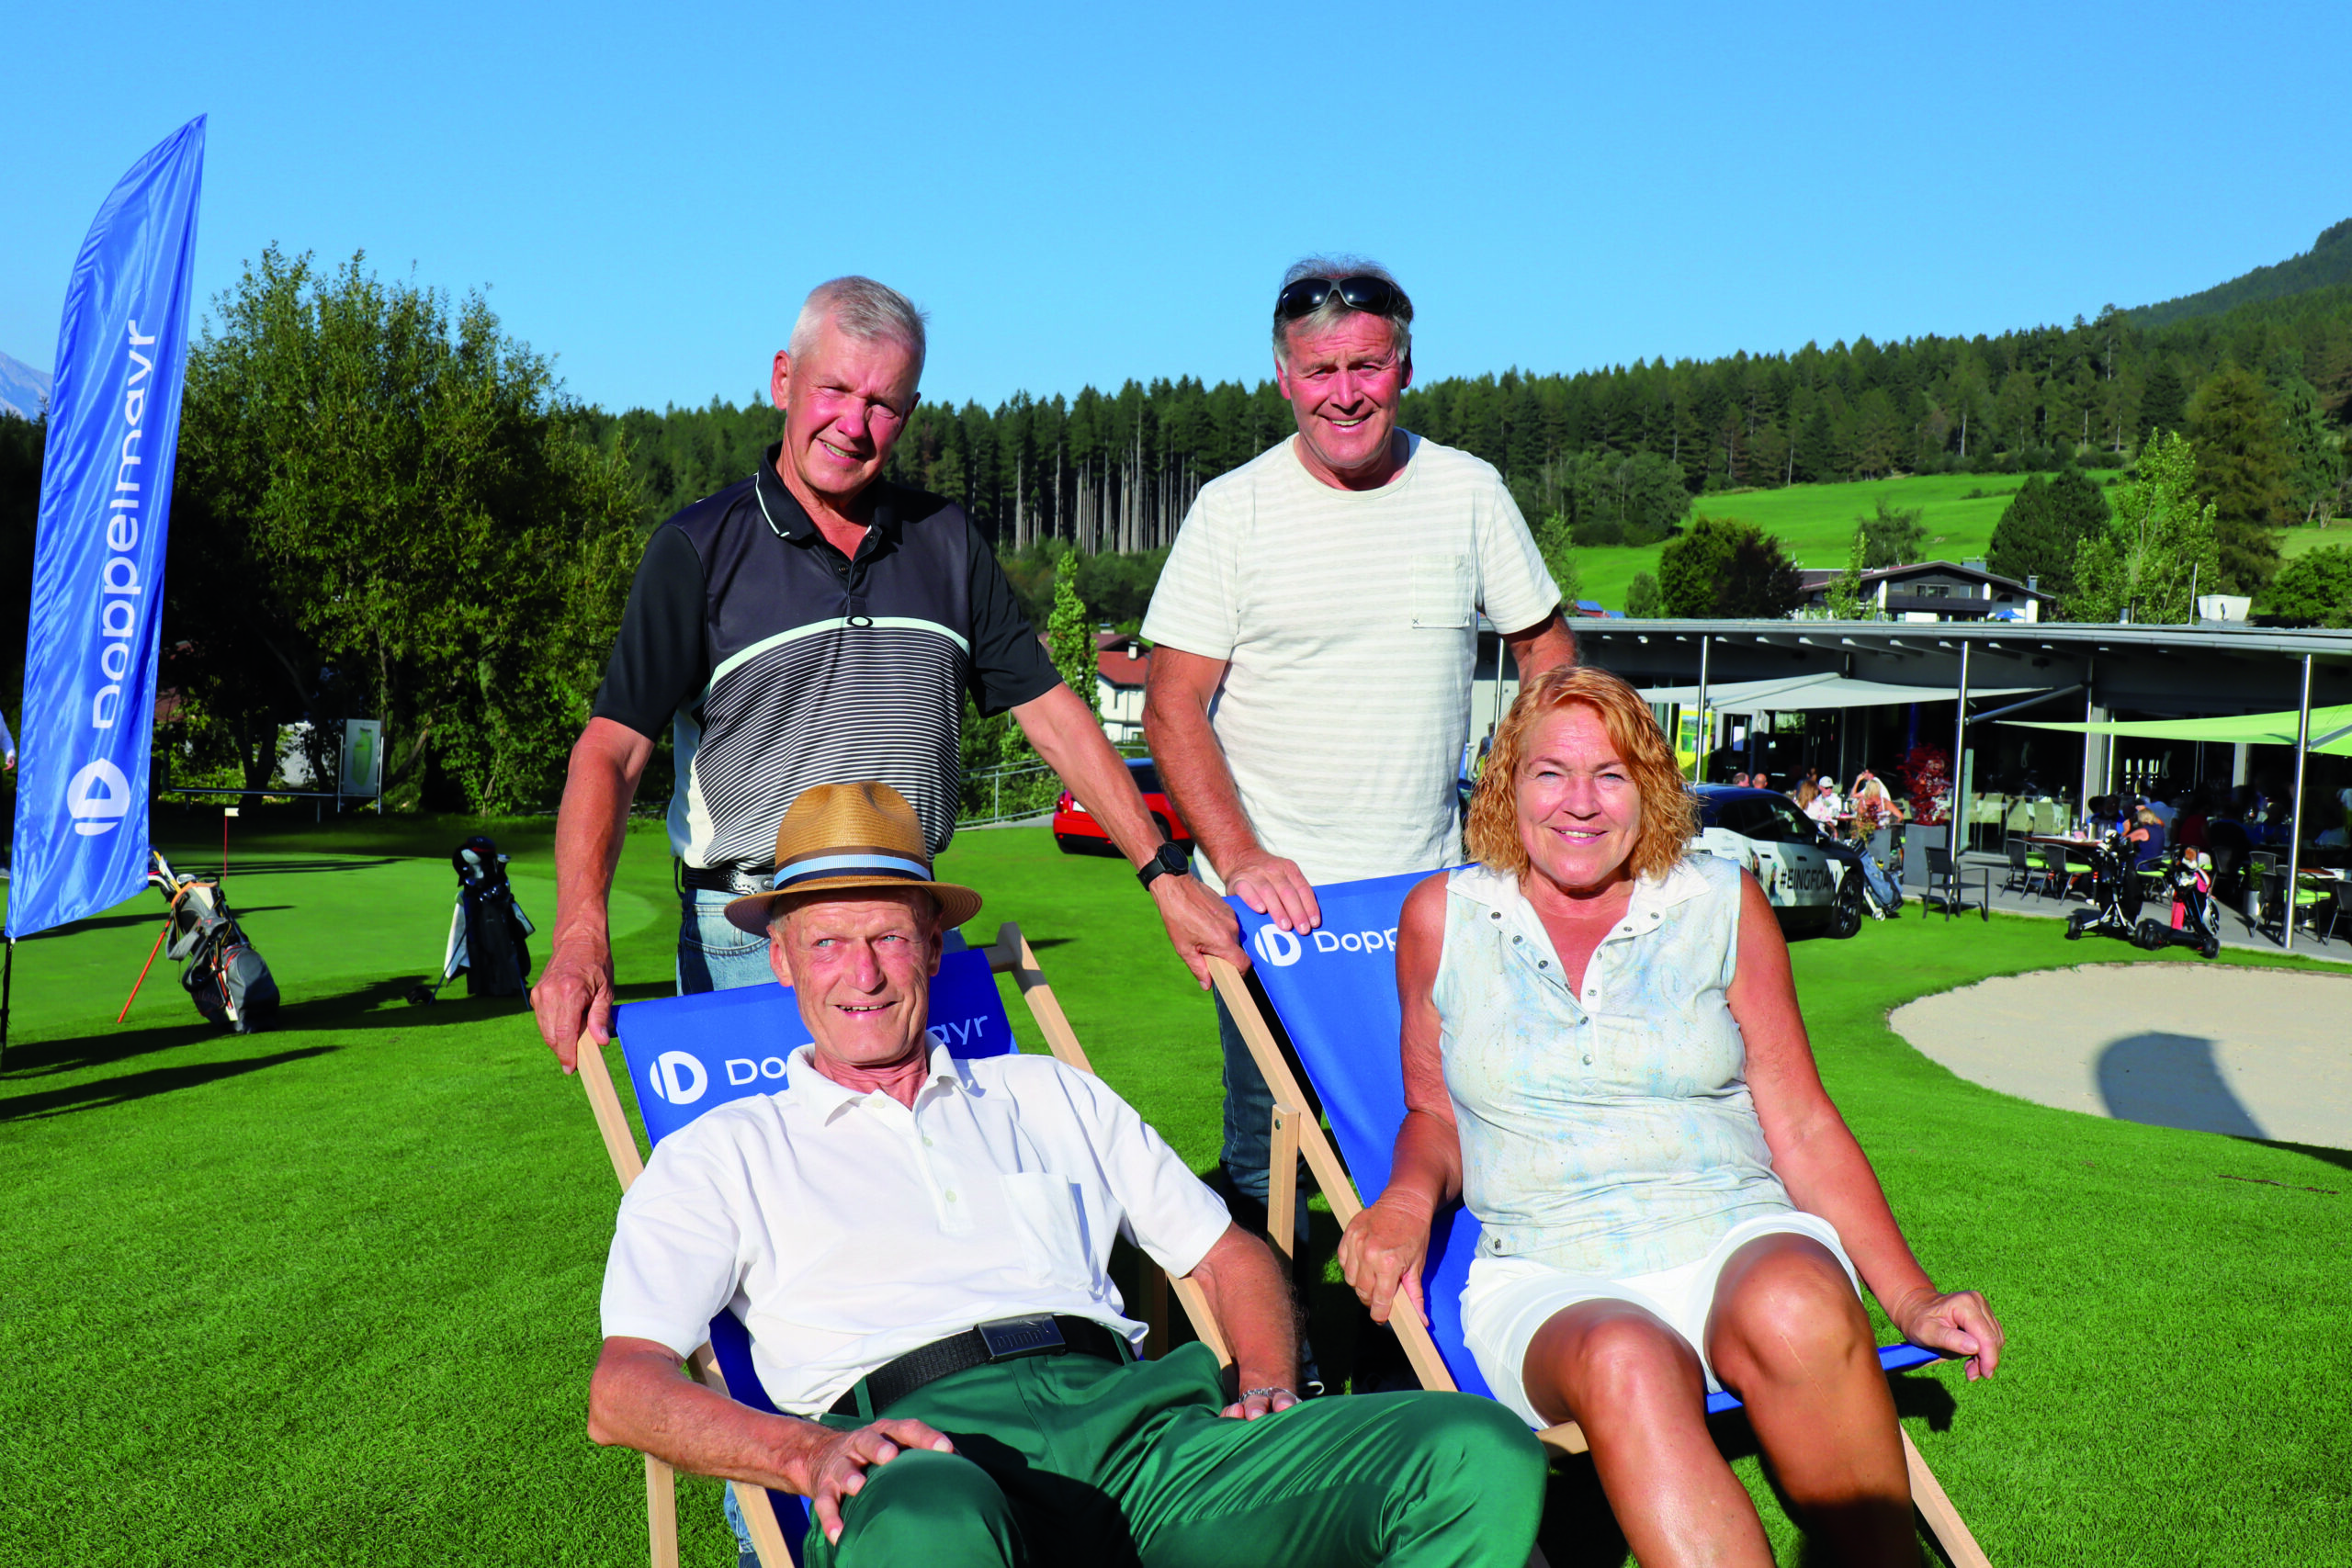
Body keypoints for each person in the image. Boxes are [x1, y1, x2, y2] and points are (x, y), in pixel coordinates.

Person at [588, 782, 1547, 1568]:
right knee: (927, 1526)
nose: (864, 974)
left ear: (931, 943)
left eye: (887, 937)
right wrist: (804, 1453)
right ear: (781, 961)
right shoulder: (721, 1152)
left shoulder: (1048, 1093)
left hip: (1142, 1438)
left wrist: (1266, 1382)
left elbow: (1227, 1255)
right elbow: (623, 1387)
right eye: (829, 943)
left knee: (1473, 1448)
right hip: (924, 1451)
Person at [1338, 667, 2002, 1568]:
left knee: (1800, 1303)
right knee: (1624, 1356)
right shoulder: (1443, 919)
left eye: (1610, 774)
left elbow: (1799, 1122)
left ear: (1649, 790)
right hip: (1549, 1269)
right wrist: (1407, 1205)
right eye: (1550, 773)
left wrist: (1910, 1298)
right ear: (1507, 783)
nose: (1579, 803)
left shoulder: (1719, 904)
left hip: (1731, 1230)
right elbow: (1431, 1112)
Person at [535, 276, 1239, 1073]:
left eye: (883, 403)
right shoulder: (697, 548)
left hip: (908, 921)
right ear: (782, 380)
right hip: (750, 930)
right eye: (834, 388)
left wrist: (1164, 876)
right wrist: (579, 932)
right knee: (760, 1193)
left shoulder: (945, 541)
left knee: (943, 1178)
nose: (853, 423)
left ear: (906, 415)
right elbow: (610, 750)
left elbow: (1051, 713)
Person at [1143, 257, 1576, 1235]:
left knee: (1440, 1142)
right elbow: (1173, 706)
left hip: (1433, 901)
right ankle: (1278, 1379)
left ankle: (1422, 1368)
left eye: (1367, 367)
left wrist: (1517, 801)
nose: (1344, 393)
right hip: (1278, 918)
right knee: (1270, 1167)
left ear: (1405, 368)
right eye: (1320, 370)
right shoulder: (1233, 509)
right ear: (1284, 378)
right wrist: (1242, 859)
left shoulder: (1466, 491)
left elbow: (1547, 654)